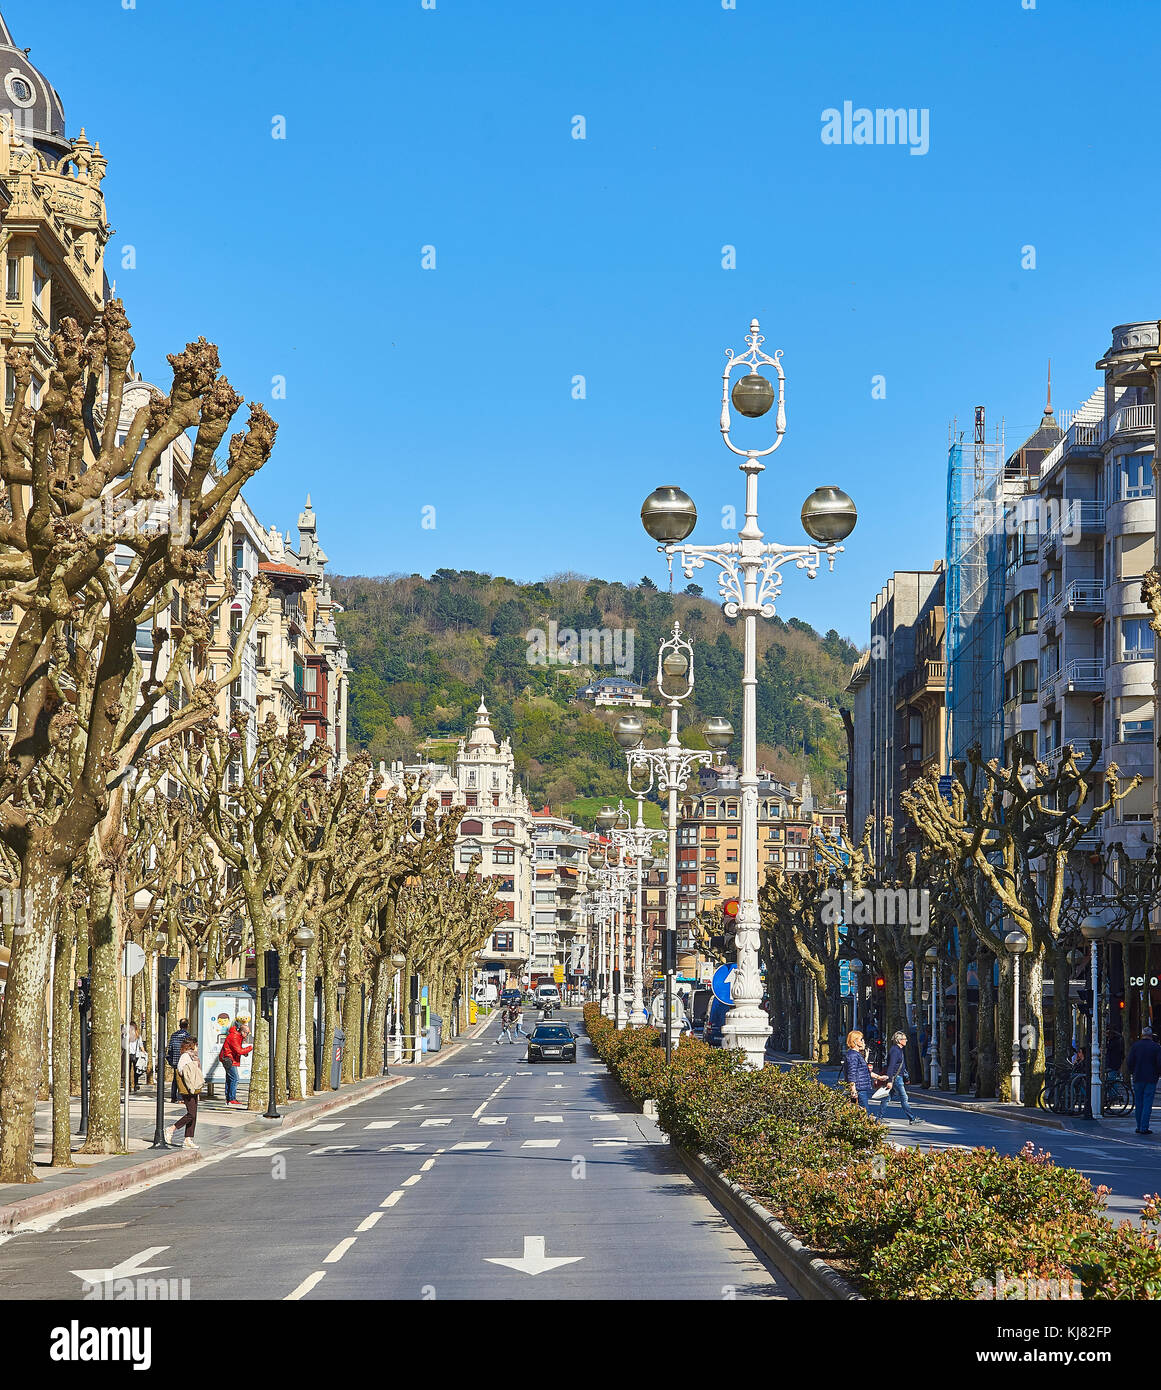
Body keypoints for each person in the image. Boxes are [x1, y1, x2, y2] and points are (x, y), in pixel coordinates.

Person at [164, 1037, 203, 1149]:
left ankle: (188, 1139)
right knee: (191, 1114)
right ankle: (171, 1129)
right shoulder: (185, 1056)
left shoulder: (192, 1056)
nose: (197, 1047)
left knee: (194, 1114)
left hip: (193, 1087)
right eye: (196, 1044)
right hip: (187, 1087)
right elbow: (181, 1070)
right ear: (192, 1045)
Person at [877, 1029, 918, 1124]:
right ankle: (912, 1118)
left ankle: (879, 1117)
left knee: (887, 1098)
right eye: (904, 1039)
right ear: (899, 1040)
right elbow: (891, 1066)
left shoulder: (898, 1050)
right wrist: (890, 1081)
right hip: (896, 1079)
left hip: (897, 1077)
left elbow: (901, 1066)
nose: (906, 1040)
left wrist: (906, 1077)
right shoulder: (895, 1051)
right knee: (904, 1098)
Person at [1127, 1025, 1161, 1135]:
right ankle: (1144, 1127)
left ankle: (1139, 1126)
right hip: (1151, 1078)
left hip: (1138, 1077)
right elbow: (1159, 1063)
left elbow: (1129, 1061)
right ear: (1151, 1035)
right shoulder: (1156, 1047)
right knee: (1147, 1103)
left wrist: (1133, 1071)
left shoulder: (1135, 1046)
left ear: (1142, 1035)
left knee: (1139, 1102)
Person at [843, 1029, 885, 1113]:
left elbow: (864, 1071)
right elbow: (852, 1073)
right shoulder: (853, 1055)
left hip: (860, 1088)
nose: (863, 1042)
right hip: (858, 1089)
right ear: (855, 1042)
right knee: (864, 1113)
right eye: (861, 1039)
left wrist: (878, 1077)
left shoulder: (856, 1055)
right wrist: (853, 1089)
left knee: (858, 1113)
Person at [219, 1018, 252, 1105]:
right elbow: (239, 1051)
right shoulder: (234, 1036)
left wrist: (244, 1052)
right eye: (247, 1033)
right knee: (235, 1078)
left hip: (229, 1058)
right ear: (243, 1032)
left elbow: (237, 1049)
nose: (247, 1035)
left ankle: (229, 1099)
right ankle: (231, 1099)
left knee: (230, 1079)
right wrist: (250, 1048)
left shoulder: (237, 1036)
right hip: (229, 1059)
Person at [166, 1017, 191, 1103]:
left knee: (175, 1079)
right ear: (187, 1026)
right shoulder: (188, 1036)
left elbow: (170, 1048)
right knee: (182, 1078)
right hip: (184, 1060)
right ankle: (180, 1097)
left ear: (179, 1025)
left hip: (175, 1060)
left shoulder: (174, 1035)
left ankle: (173, 1097)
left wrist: (170, 1060)